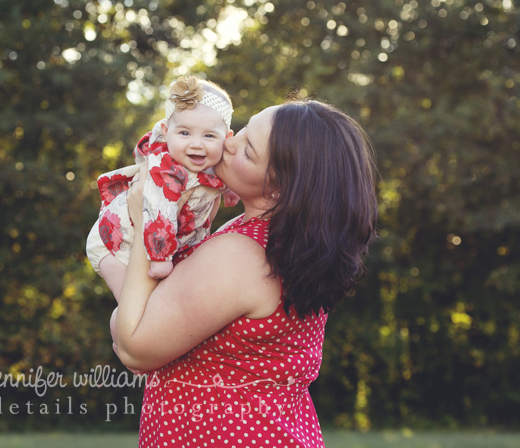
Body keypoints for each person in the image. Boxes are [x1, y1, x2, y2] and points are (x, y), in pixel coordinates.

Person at [114, 99, 378, 447]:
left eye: (248, 152)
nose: (228, 142)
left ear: (282, 188)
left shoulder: (241, 255)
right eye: (241, 130)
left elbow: (133, 348)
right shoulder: (283, 245)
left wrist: (147, 224)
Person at [86, 76, 238, 301]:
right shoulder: (165, 169)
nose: (196, 143)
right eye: (184, 133)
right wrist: (160, 258)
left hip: (161, 247)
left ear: (226, 139)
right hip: (116, 244)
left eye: (208, 135)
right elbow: (159, 210)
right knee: (134, 306)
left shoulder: (211, 161)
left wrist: (232, 186)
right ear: (167, 132)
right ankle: (120, 336)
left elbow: (222, 171)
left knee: (157, 309)